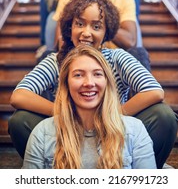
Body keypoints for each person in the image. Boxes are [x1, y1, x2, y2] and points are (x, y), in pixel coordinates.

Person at [9, 0, 178, 169]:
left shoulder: (117, 57)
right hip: (69, 130)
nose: (86, 32)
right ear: (69, 27)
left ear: (106, 33)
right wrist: (64, 113)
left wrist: (111, 114)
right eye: (79, 24)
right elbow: (19, 96)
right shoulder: (56, 60)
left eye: (96, 26)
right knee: (20, 120)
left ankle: (150, 167)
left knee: (163, 115)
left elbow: (154, 91)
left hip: (114, 129)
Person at [22, 45, 156, 169]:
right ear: (66, 84)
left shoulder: (135, 130)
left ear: (107, 82)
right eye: (78, 75)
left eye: (97, 74)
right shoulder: (42, 133)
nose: (89, 83)